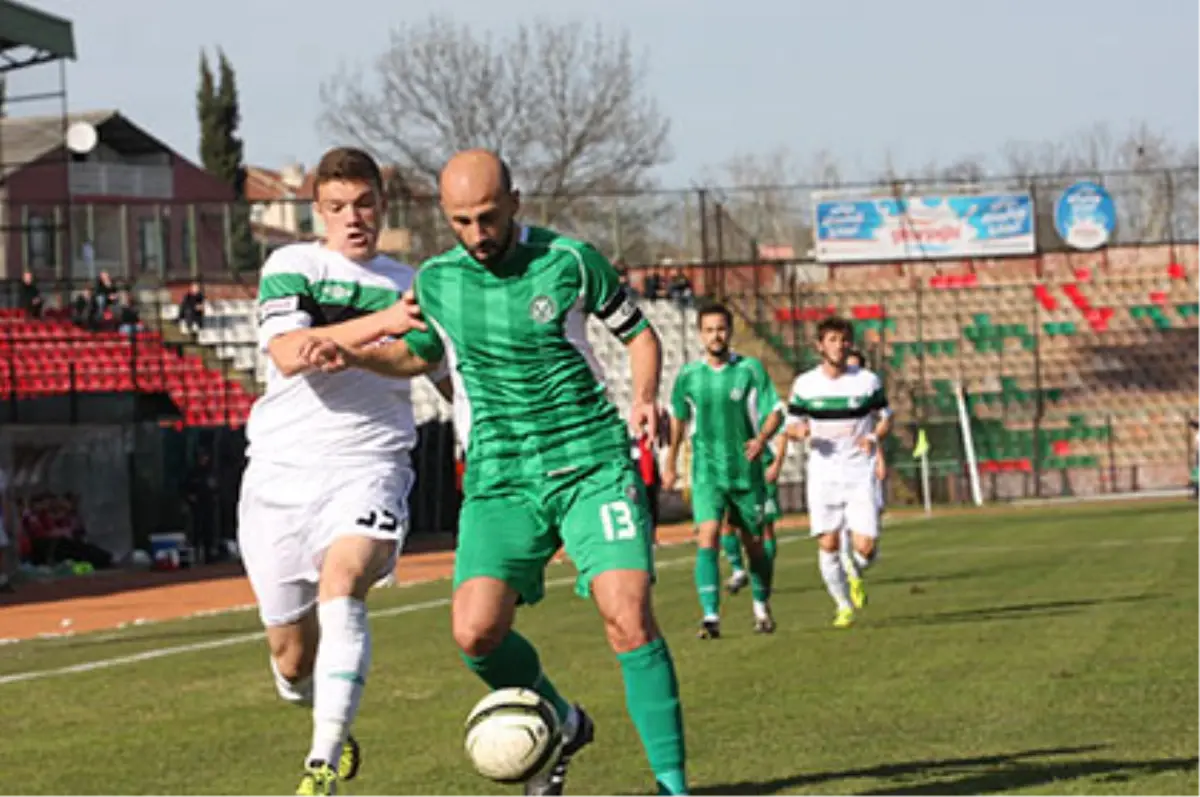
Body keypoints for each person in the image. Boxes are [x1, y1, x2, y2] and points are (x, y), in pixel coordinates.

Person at [303, 149, 690, 797]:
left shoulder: (569, 260)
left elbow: (641, 336)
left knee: (627, 611)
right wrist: (358, 357)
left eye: (488, 217)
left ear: (515, 200)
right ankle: (563, 722)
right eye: (461, 221)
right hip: (499, 476)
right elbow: (418, 357)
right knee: (475, 632)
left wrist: (646, 395)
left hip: (589, 461)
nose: (477, 235)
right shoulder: (437, 281)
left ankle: (674, 787)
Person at [237, 146, 446, 797]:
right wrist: (383, 323)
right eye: (337, 207)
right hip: (280, 473)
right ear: (316, 210)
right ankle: (321, 711)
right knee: (290, 657)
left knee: (345, 579)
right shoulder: (292, 264)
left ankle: (322, 761)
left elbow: (441, 376)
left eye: (363, 204)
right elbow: (291, 351)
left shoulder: (416, 283)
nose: (352, 217)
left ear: (383, 205)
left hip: (370, 462)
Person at [662, 302, 784, 638]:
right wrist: (670, 462)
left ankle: (761, 607)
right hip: (706, 472)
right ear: (700, 334)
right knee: (708, 535)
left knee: (754, 544)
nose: (716, 335)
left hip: (745, 472)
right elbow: (678, 418)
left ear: (730, 332)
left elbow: (776, 411)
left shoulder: (750, 370)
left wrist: (761, 439)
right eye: (709, 330)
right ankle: (711, 617)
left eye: (721, 329)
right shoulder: (689, 376)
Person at [785, 317, 892, 629]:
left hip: (860, 470)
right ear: (820, 346)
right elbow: (790, 425)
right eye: (832, 339)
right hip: (823, 471)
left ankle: (855, 571)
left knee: (866, 546)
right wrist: (799, 429)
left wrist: (873, 437)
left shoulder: (867, 381)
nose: (839, 345)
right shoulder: (805, 384)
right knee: (828, 543)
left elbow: (885, 418)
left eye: (844, 340)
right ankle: (843, 605)